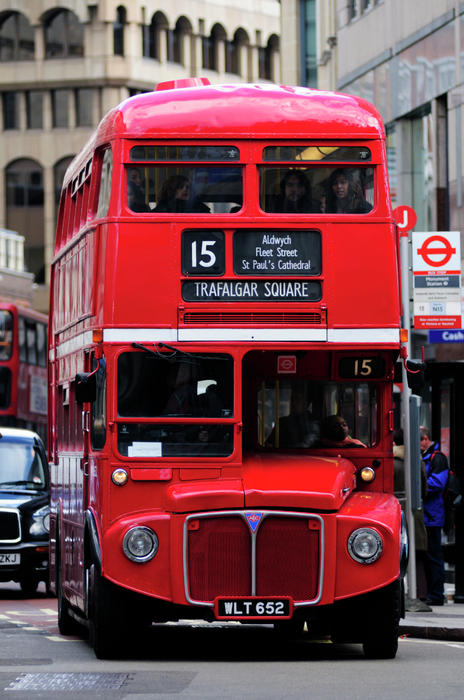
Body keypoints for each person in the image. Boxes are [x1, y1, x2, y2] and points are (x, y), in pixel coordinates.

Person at [393, 429, 431, 610]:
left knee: (395, 556)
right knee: (417, 555)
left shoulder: (390, 461)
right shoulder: (417, 460)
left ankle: (401, 593)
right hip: (414, 509)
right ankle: (420, 594)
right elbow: (424, 486)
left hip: (393, 508)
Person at [420, 426, 449, 606]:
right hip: (428, 514)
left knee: (433, 555)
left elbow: (437, 483)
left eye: (420, 441)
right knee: (428, 555)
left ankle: (437, 594)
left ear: (426, 439)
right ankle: (431, 592)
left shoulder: (437, 458)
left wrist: (418, 486)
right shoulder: (427, 457)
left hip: (432, 515)